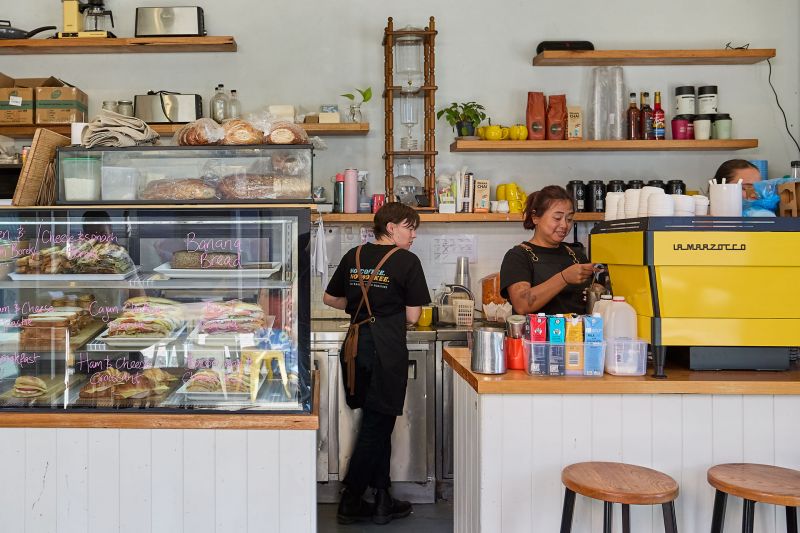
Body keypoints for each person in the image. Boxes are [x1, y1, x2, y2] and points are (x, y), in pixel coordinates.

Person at [323, 202, 430, 525]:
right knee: (377, 425)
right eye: (409, 228)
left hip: (355, 348)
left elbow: (330, 298)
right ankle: (351, 498)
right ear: (391, 228)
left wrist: (359, 305)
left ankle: (382, 498)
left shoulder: (354, 255)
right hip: (386, 349)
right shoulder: (407, 261)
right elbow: (413, 316)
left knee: (376, 421)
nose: (413, 235)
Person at [499, 185, 597, 315]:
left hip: (577, 328)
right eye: (557, 218)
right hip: (537, 329)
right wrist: (564, 278)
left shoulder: (576, 255)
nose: (564, 225)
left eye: (569, 219)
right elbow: (522, 304)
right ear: (535, 217)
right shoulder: (518, 256)